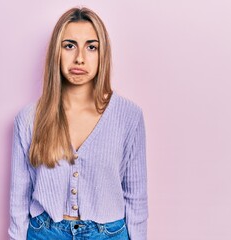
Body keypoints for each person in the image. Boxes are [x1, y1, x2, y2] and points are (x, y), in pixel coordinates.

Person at [8, 6, 148, 240]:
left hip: (109, 234)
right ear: (57, 52)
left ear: (103, 54)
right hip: (45, 233)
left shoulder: (129, 116)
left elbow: (136, 196)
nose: (80, 58)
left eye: (91, 47)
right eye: (69, 45)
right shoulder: (29, 118)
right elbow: (19, 198)